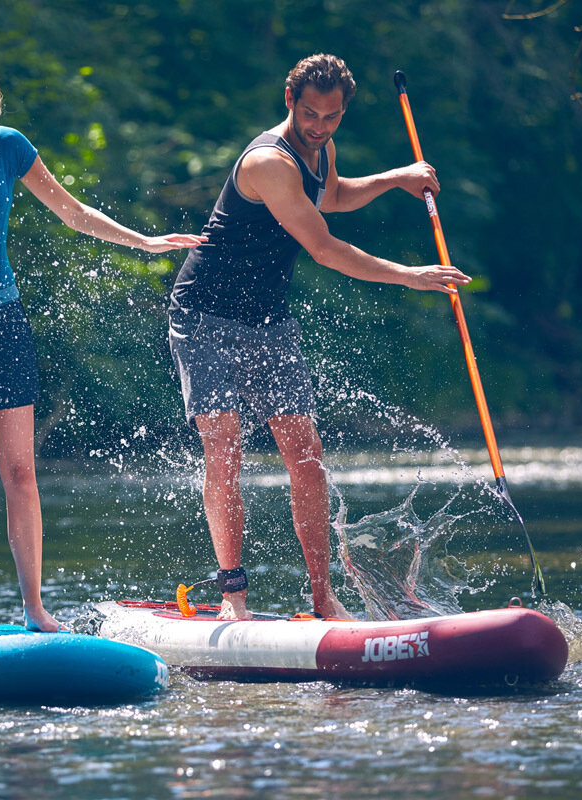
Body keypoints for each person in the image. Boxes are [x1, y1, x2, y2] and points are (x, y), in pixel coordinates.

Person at [0, 64, 204, 633]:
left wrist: (143, 240)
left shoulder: (9, 149)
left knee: (20, 472)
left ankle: (34, 609)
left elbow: (73, 213)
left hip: (0, 324)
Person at [167, 53, 471, 621]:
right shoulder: (268, 164)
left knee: (307, 459)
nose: (319, 126)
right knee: (225, 448)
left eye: (331, 118)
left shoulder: (320, 148)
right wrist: (411, 275)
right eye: (310, 114)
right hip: (205, 313)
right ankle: (234, 596)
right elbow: (325, 247)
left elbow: (330, 197)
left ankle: (323, 597)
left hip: (267, 318)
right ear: (290, 101)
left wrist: (395, 178)